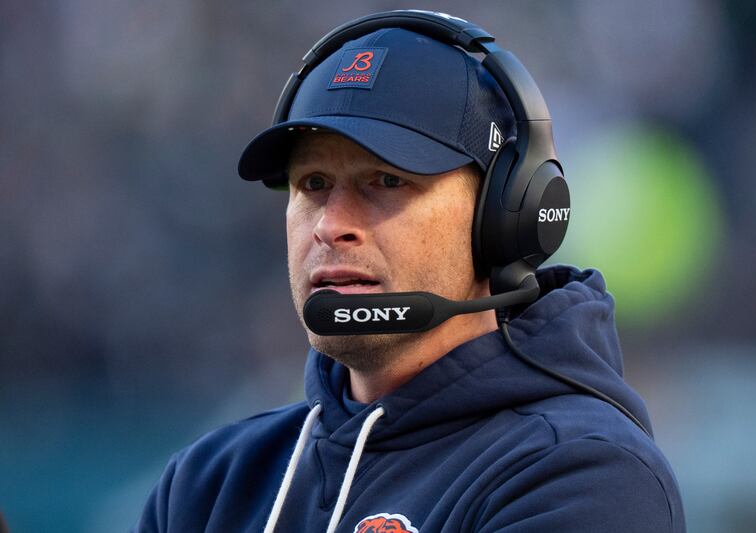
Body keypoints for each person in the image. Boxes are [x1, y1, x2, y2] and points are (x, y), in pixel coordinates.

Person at [133, 11, 685, 533]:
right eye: (313, 184)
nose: (330, 226)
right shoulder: (206, 486)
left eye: (387, 181)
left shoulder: (585, 476)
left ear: (506, 213)